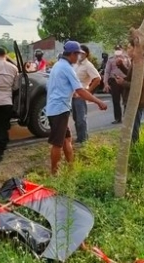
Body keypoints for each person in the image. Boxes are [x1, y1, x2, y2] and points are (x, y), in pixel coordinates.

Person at [46, 41, 107, 175]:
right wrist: (98, 102)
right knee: (57, 143)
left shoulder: (58, 65)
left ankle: (71, 168)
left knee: (67, 139)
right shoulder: (67, 68)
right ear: (72, 54)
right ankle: (54, 174)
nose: (78, 57)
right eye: (77, 54)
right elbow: (81, 91)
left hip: (58, 108)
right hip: (59, 109)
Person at [114, 41, 144, 144]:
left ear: (136, 49)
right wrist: (121, 66)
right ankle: (131, 149)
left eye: (129, 48)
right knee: (129, 127)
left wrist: (123, 82)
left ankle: (135, 150)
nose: (127, 50)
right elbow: (132, 77)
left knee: (133, 129)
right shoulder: (134, 61)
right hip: (132, 100)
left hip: (136, 101)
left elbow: (138, 85)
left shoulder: (140, 64)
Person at [72, 45, 101, 144]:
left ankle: (83, 139)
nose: (80, 55)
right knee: (76, 118)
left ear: (86, 54)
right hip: (73, 95)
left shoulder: (88, 65)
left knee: (81, 118)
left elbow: (97, 79)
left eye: (82, 53)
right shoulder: (75, 64)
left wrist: (88, 91)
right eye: (78, 52)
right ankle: (80, 137)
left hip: (81, 95)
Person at [103, 45, 130, 124]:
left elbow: (130, 70)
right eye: (116, 49)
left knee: (126, 100)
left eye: (119, 49)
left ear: (122, 50)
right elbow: (107, 71)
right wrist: (105, 83)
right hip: (114, 81)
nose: (118, 50)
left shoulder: (126, 58)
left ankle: (127, 117)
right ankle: (118, 118)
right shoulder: (111, 59)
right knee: (116, 101)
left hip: (124, 81)